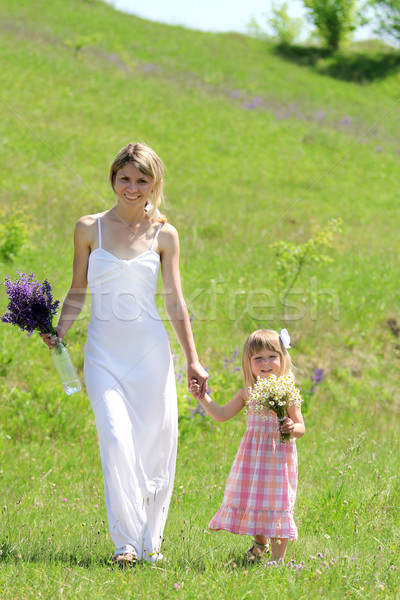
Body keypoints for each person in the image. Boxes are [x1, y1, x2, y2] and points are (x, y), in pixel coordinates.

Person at [41, 142, 208, 565]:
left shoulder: (164, 234)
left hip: (151, 355)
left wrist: (193, 358)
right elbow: (77, 290)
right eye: (125, 178)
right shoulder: (88, 228)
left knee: (154, 445)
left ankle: (150, 541)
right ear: (113, 179)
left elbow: (175, 301)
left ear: (154, 185)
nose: (132, 188)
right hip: (103, 356)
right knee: (115, 439)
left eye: (142, 180)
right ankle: (125, 545)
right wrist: (58, 331)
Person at [190, 328, 305, 562]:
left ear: (283, 358)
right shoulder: (248, 393)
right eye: (258, 358)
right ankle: (259, 545)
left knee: (277, 503)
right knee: (256, 501)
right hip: (253, 460)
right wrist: (203, 397)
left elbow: (302, 428)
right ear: (248, 363)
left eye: (272, 356)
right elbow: (221, 414)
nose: (266, 362)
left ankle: (277, 561)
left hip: (277, 460)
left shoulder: (288, 392)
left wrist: (292, 428)